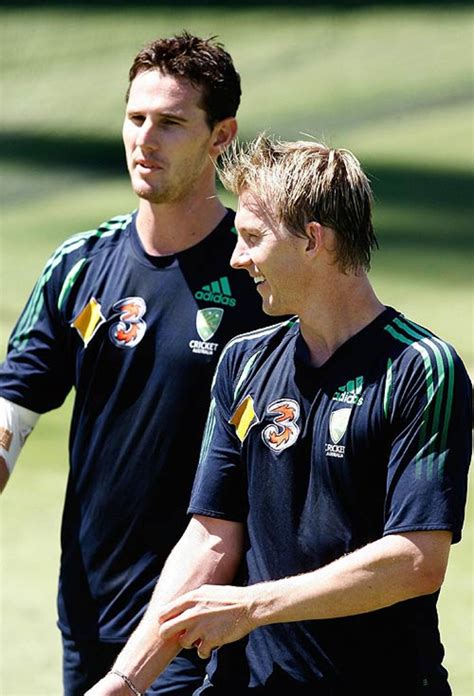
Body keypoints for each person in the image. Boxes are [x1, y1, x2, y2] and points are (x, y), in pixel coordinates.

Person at [86, 135, 472, 696]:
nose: (237, 257)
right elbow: (210, 538)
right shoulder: (243, 362)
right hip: (247, 684)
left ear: (313, 239)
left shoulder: (419, 368)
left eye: (252, 238)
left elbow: (416, 560)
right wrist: (125, 681)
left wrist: (252, 607)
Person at [0, 35, 280, 696]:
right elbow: (15, 405)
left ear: (221, 137)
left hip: (205, 619)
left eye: (171, 122)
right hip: (92, 611)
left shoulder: (260, 275)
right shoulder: (80, 263)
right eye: (136, 118)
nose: (145, 139)